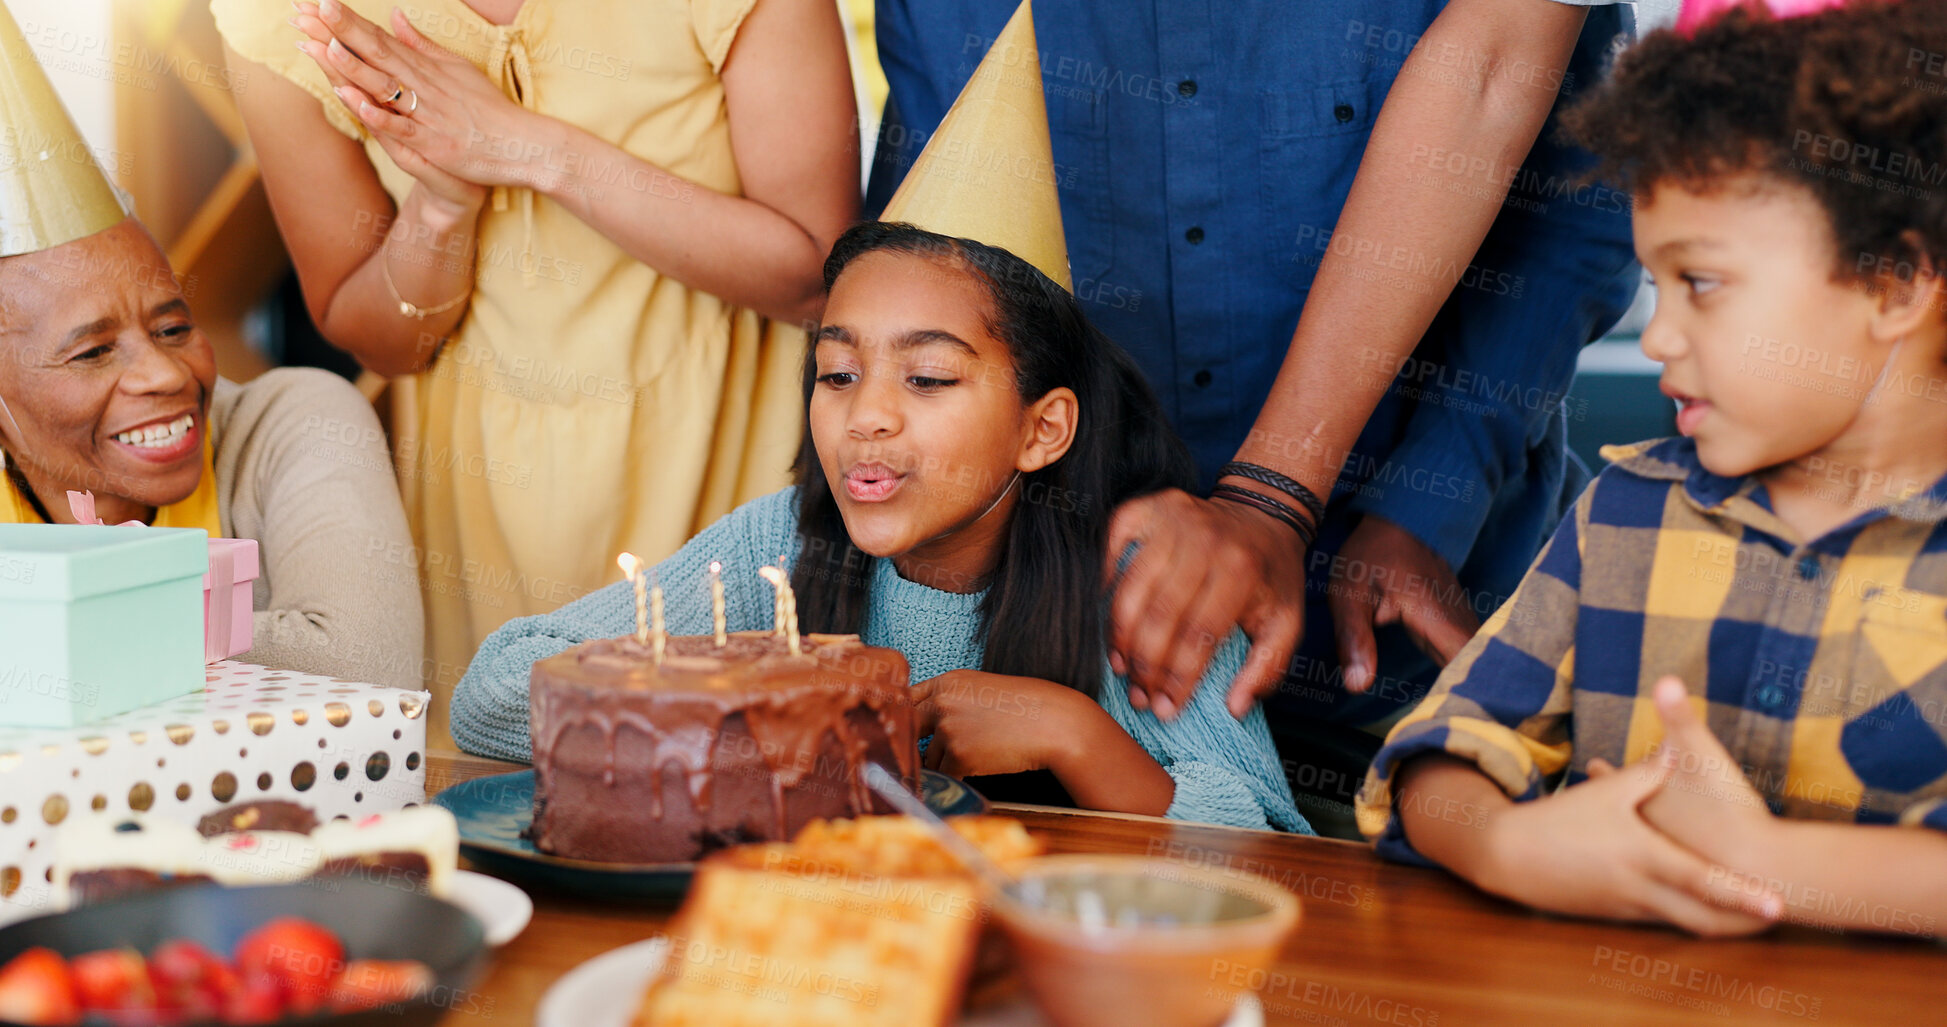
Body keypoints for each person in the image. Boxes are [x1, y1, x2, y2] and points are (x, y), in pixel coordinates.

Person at [455, 17, 1306, 830]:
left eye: (928, 376)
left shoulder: (1133, 582)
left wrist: (1074, 734)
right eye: (837, 372)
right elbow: (488, 698)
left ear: (1042, 429)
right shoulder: (781, 548)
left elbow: (1271, 840)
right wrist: (752, 695)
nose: (865, 416)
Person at [868, 0, 1651, 739]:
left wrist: (1428, 491)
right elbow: (923, 267)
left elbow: (1557, 202)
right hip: (1045, 666)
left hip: (1408, 650)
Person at [1357, 0, 1947, 936]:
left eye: (1699, 282)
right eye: (1652, 286)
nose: (1661, 335)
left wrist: (1757, 863)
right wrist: (1508, 846)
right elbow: (1439, 759)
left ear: (1893, 282)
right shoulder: (1625, 512)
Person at [213, 0, 861, 744]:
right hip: (477, 506)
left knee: (735, 791)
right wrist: (441, 207)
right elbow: (376, 339)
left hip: (725, 486)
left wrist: (529, 149)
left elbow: (818, 276)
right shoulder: (277, 16)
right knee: (496, 809)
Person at [0, 2, 421, 688]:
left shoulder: (295, 420)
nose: (165, 373)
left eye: (173, 328)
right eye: (93, 351)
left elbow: (361, 661)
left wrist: (42, 617)